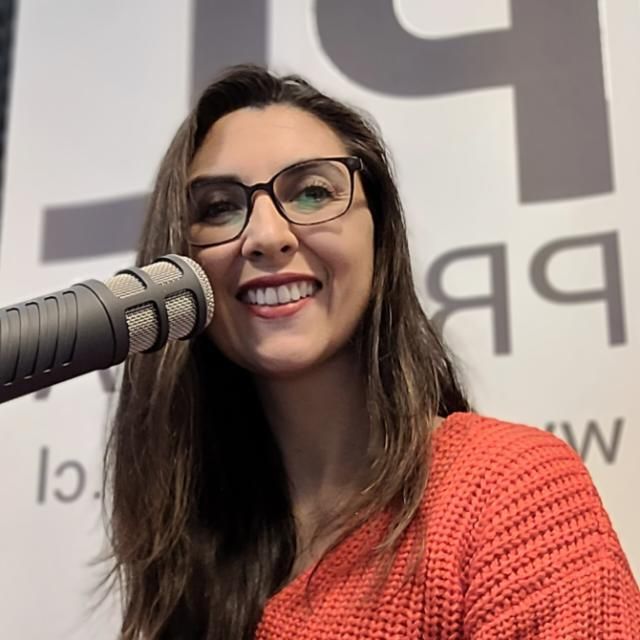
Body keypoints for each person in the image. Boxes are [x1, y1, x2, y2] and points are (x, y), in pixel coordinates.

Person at [105, 65, 640, 639]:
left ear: (380, 237)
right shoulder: (194, 553)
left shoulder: (507, 490)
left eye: (313, 193)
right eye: (218, 208)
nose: (266, 236)